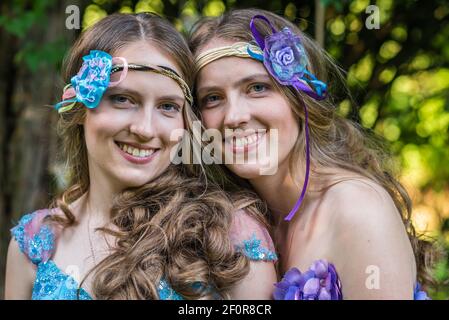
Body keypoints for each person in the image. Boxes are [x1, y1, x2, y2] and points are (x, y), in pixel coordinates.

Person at [5, 12, 277, 300]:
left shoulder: (229, 235)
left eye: (167, 106)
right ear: (80, 106)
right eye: (123, 99)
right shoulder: (35, 244)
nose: (145, 129)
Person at [189, 8, 433, 299]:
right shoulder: (238, 219)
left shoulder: (357, 208)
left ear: (299, 96)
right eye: (213, 98)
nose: (234, 116)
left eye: (257, 88)